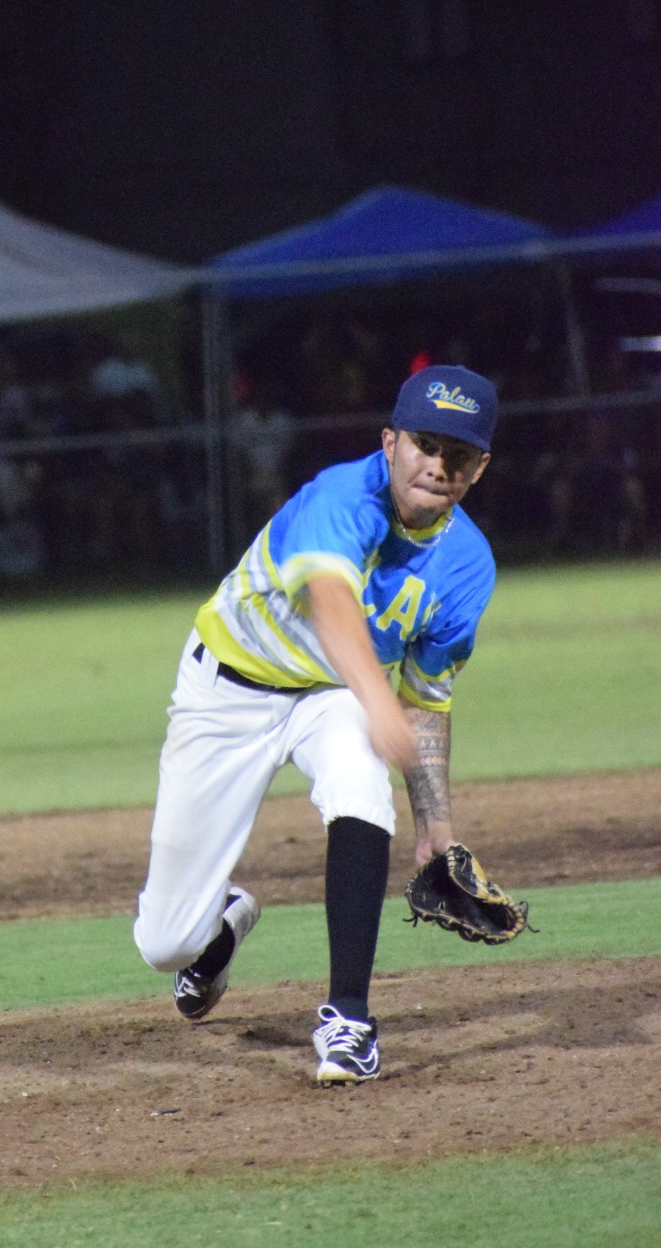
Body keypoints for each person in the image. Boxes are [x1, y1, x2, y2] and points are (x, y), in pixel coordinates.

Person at [133, 364, 497, 1085]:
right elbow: (332, 603)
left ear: (479, 468)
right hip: (227, 691)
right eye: (425, 444)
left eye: (458, 454)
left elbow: (427, 697)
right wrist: (380, 703)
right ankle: (222, 923)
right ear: (390, 443)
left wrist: (436, 826)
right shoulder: (341, 496)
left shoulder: (467, 565)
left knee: (362, 789)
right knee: (165, 944)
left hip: (332, 695)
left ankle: (348, 1020)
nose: (437, 465)